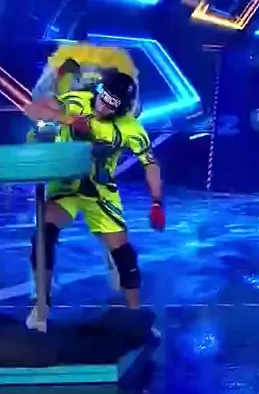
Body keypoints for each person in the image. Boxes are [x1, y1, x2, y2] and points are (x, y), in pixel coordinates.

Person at [22, 68, 166, 332]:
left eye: (112, 104)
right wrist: (67, 119)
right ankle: (41, 306)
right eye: (104, 97)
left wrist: (157, 201)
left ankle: (136, 317)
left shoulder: (131, 129)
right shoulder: (76, 100)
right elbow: (33, 109)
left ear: (122, 108)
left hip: (99, 191)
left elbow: (150, 164)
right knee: (42, 236)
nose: (103, 106)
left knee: (125, 255)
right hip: (65, 184)